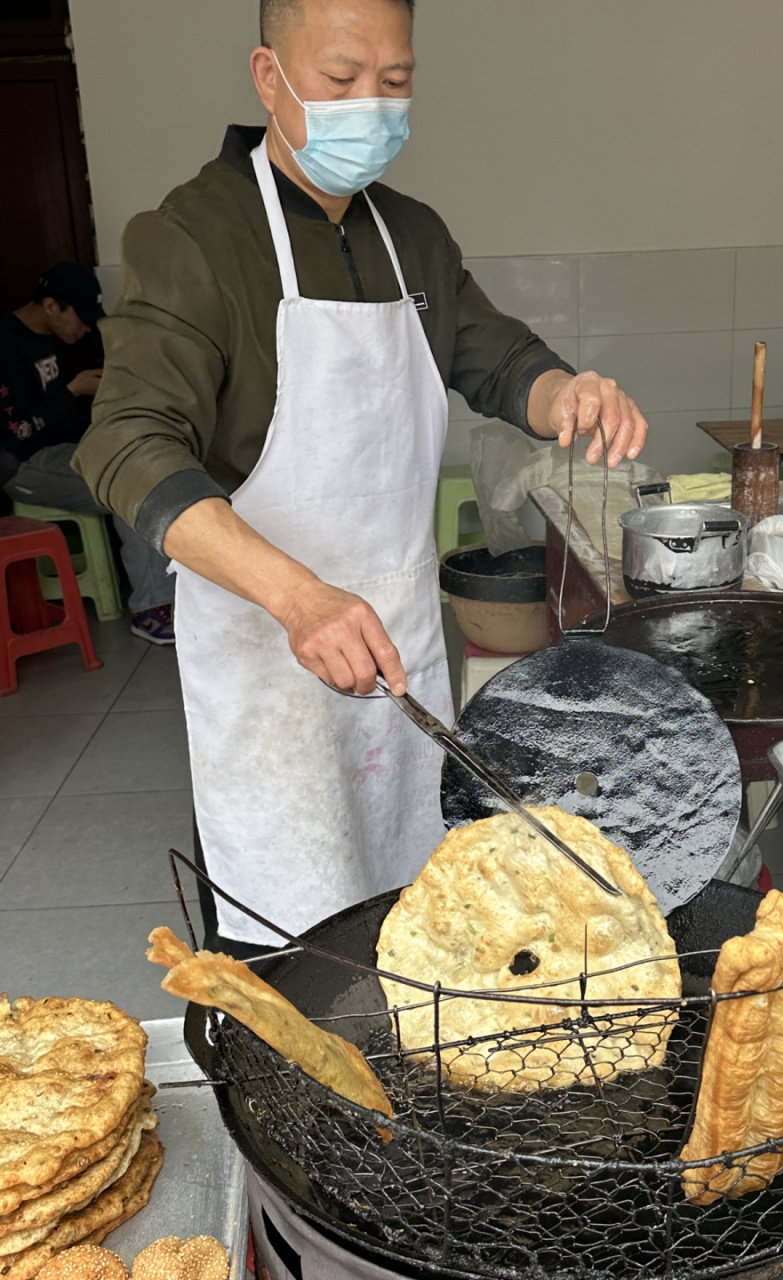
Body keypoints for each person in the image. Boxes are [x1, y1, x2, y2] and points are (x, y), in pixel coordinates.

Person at [74, 0, 649, 953]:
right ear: (270, 76)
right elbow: (128, 441)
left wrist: (569, 395)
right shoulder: (194, 237)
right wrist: (299, 599)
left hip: (398, 644)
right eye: (341, 82)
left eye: (395, 83)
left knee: (411, 926)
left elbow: (498, 359)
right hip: (269, 647)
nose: (370, 107)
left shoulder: (412, 235)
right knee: (287, 944)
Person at [1, 263, 176, 644]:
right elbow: (16, 433)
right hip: (23, 467)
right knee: (126, 483)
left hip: (61, 452)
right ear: (51, 306)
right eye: (78, 317)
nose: (83, 328)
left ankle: (176, 594)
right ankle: (150, 608)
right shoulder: (5, 344)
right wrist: (72, 391)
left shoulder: (54, 339)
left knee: (144, 456)